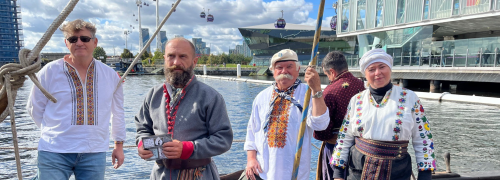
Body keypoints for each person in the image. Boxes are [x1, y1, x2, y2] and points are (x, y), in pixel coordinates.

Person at [26, 19, 125, 180]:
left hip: (94, 151)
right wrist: (56, 131)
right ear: (66, 43)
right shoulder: (49, 71)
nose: (79, 43)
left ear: (95, 42)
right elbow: (34, 108)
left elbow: (118, 112)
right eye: (73, 39)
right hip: (54, 151)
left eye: (84, 39)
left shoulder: (111, 76)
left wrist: (118, 145)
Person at [135, 37, 233, 179]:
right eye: (171, 56)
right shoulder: (153, 95)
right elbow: (143, 129)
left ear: (194, 61)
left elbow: (223, 139)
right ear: (165, 59)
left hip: (199, 175)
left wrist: (188, 148)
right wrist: (141, 145)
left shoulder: (211, 97)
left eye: (182, 56)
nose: (176, 62)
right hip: (160, 175)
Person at [330, 49, 436, 180]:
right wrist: (338, 174)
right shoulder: (356, 100)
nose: (377, 73)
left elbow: (423, 139)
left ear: (390, 68)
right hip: (358, 170)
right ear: (365, 74)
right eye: (371, 69)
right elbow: (344, 137)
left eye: (382, 67)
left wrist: (425, 174)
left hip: (398, 171)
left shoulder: (410, 98)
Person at [242, 49, 330, 180]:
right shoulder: (261, 97)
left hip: (295, 174)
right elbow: (252, 131)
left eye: (289, 67)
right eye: (279, 67)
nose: (284, 71)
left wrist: (316, 89)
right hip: (263, 172)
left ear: (298, 69)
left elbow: (320, 125)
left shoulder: (308, 94)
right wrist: (251, 159)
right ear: (272, 71)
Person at [314, 51, 365, 180]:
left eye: (327, 75)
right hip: (361, 148)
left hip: (335, 149)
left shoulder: (330, 92)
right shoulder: (361, 85)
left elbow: (322, 132)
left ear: (332, 72)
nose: (329, 79)